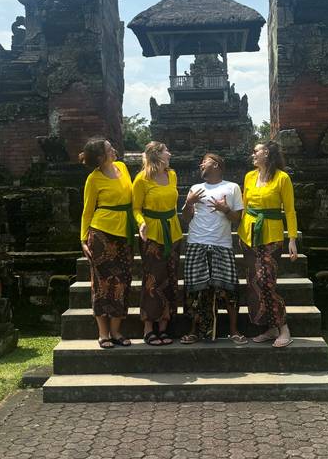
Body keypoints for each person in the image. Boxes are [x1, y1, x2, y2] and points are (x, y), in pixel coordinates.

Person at [179, 152, 246, 344]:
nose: (201, 165)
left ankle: (234, 330)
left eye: (204, 162)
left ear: (216, 165)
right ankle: (194, 331)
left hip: (221, 244)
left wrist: (224, 208)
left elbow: (237, 219)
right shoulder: (196, 188)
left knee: (229, 288)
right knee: (195, 290)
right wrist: (189, 203)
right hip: (196, 242)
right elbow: (186, 217)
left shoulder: (232, 188)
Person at [238, 140, 298, 348]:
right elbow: (245, 207)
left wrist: (292, 239)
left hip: (271, 236)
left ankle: (283, 327)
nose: (253, 154)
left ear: (268, 153)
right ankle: (269, 327)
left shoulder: (282, 178)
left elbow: (289, 210)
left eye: (256, 151)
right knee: (254, 283)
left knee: (267, 281)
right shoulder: (249, 176)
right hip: (248, 236)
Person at [79, 137, 135, 349]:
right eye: (110, 149)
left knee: (123, 282)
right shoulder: (94, 178)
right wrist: (83, 240)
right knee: (102, 284)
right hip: (101, 234)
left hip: (124, 234)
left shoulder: (122, 167)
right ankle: (103, 333)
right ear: (101, 157)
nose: (114, 150)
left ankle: (116, 330)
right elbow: (87, 211)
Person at [132, 141, 183, 346]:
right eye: (165, 150)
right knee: (152, 279)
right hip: (151, 233)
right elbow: (136, 209)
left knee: (170, 277)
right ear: (156, 155)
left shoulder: (172, 175)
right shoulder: (141, 179)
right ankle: (148, 326)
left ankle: (164, 325)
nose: (169, 153)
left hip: (173, 230)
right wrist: (142, 223)